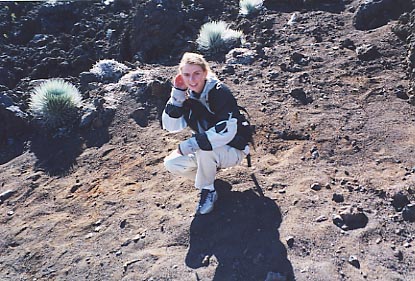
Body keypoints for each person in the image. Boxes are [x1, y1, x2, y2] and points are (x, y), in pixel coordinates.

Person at [162, 52, 251, 215]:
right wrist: (177, 95)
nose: (192, 80)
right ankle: (211, 182)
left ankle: (208, 190)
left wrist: (190, 144)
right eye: (187, 75)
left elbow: (226, 131)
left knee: (203, 148)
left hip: (234, 149)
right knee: (172, 163)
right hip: (210, 151)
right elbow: (171, 126)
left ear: (205, 72)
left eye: (196, 74)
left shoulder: (219, 92)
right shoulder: (186, 95)